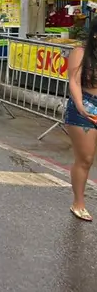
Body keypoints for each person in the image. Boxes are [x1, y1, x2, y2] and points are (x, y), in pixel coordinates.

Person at [63, 29, 97, 221]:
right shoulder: (81, 52)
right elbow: (74, 81)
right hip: (86, 106)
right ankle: (78, 203)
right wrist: (80, 105)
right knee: (86, 158)